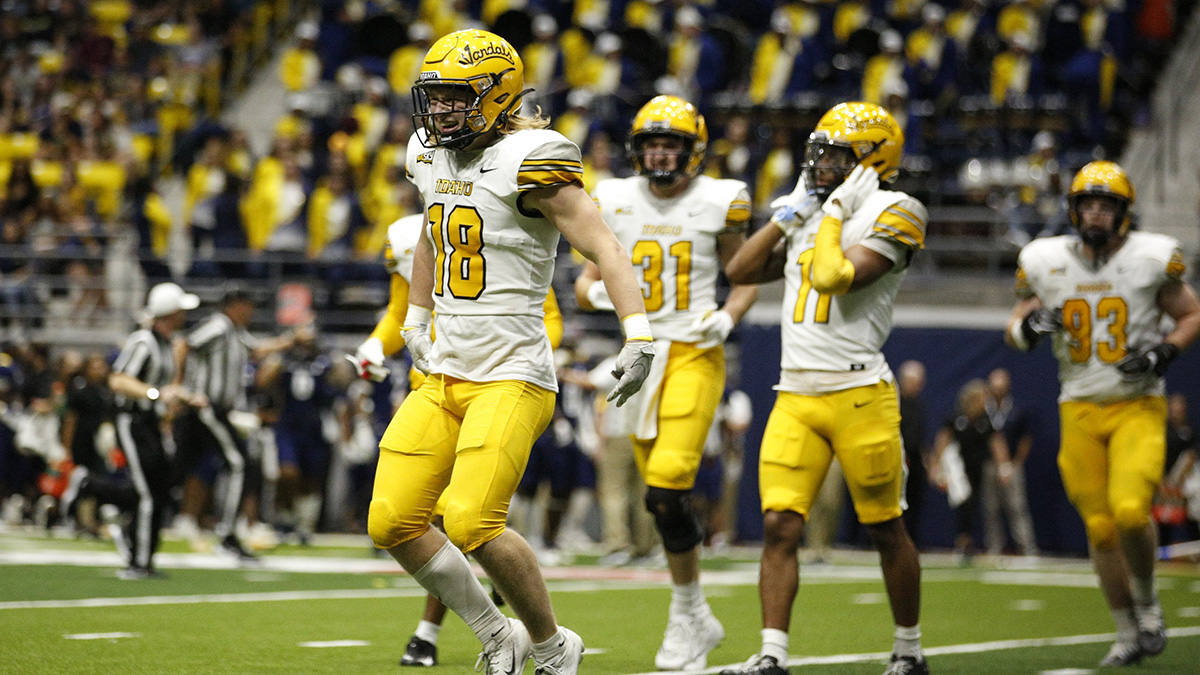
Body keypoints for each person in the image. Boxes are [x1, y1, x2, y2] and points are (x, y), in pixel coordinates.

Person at [366, 29, 655, 675]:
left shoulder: (533, 159)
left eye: (454, 98)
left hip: (512, 372)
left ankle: (554, 644)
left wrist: (639, 333)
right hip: (445, 369)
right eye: (433, 98)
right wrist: (415, 315)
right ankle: (499, 635)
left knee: (472, 518)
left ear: (496, 97)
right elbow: (430, 234)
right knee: (392, 518)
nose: (437, 112)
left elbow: (605, 246)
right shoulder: (429, 154)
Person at [724, 102, 929, 675]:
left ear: (871, 159)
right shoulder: (810, 209)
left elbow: (835, 277)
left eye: (836, 154)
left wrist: (834, 212)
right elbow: (739, 271)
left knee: (886, 527)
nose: (820, 164)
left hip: (859, 391)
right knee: (778, 525)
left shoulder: (897, 209)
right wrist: (786, 219)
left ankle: (909, 650)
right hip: (795, 393)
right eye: (819, 152)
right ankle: (771, 654)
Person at [574, 94, 758, 671]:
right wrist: (602, 293)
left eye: (670, 144)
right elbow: (584, 281)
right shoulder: (614, 198)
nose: (659, 154)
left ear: (693, 151)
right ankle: (693, 614)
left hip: (694, 352)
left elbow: (744, 274)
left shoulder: (721, 200)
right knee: (661, 500)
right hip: (640, 354)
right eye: (651, 143)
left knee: (669, 486)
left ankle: (687, 614)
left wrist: (728, 316)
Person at [1005, 160, 1200, 666]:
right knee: (1100, 528)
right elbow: (1017, 322)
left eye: (1104, 206)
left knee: (1132, 511)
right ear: (1073, 211)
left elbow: (1191, 314)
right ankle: (1126, 630)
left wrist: (1165, 351)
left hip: (1136, 404)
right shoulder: (1044, 259)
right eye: (1087, 205)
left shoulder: (1152, 257)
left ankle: (1149, 607)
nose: (1094, 215)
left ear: (1122, 213)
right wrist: (1028, 329)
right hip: (1078, 406)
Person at [353, 212, 563, 668]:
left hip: (499, 381)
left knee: (462, 519)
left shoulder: (500, 209)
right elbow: (400, 310)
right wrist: (376, 342)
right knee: (398, 518)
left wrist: (510, 360)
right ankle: (495, 632)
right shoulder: (405, 233)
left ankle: (433, 632)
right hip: (430, 384)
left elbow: (546, 315)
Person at [64, 283, 207, 578]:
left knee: (160, 489)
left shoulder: (166, 343)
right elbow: (119, 381)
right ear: (170, 312)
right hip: (132, 422)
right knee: (147, 493)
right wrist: (156, 394)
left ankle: (93, 489)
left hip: (150, 423)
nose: (184, 316)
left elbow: (160, 389)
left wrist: (181, 397)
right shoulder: (144, 341)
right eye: (180, 310)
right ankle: (139, 561)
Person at [173, 288, 297, 560]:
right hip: (206, 407)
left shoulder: (234, 331)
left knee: (231, 465)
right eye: (247, 306)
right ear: (235, 306)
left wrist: (289, 340)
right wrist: (178, 387)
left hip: (219, 410)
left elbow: (256, 349)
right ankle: (226, 534)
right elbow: (184, 344)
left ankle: (223, 529)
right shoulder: (218, 326)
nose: (251, 312)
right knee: (239, 464)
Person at [931, 379, 1011, 564]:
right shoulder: (957, 418)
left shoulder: (985, 420)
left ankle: (973, 543)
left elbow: (996, 443)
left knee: (978, 506)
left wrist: (1004, 466)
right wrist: (937, 464)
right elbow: (943, 439)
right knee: (964, 504)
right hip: (958, 469)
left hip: (980, 469)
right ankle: (963, 542)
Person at [982, 368, 1039, 556]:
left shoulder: (1017, 410)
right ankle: (994, 547)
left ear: (1008, 387)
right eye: (994, 387)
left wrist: (1016, 463)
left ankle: (1026, 547)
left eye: (1001, 387)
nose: (997, 390)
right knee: (991, 508)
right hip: (989, 465)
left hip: (1012, 465)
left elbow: (1025, 439)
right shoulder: (983, 409)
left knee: (1016, 506)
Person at [897, 361, 930, 546]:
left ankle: (910, 539)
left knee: (914, 502)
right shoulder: (893, 402)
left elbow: (920, 437)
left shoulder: (919, 406)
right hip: (896, 459)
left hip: (915, 461)